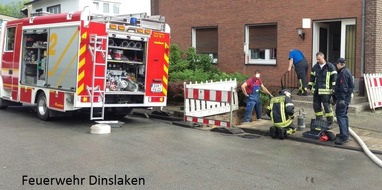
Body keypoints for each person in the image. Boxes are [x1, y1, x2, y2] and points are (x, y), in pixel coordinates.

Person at [307, 52, 337, 128]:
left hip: (326, 91)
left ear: (323, 58)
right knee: (316, 106)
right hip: (316, 91)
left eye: (319, 59)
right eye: (317, 59)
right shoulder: (315, 67)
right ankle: (319, 120)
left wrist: (334, 88)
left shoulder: (330, 66)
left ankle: (330, 122)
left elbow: (334, 78)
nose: (318, 61)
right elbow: (312, 79)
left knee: (327, 107)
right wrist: (309, 87)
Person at [333, 58, 354, 145]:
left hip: (343, 99)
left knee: (340, 116)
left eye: (337, 64)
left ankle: (344, 137)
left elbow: (343, 87)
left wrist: (341, 99)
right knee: (344, 116)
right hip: (346, 98)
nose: (336, 66)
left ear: (339, 64)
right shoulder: (346, 71)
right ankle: (344, 133)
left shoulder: (343, 73)